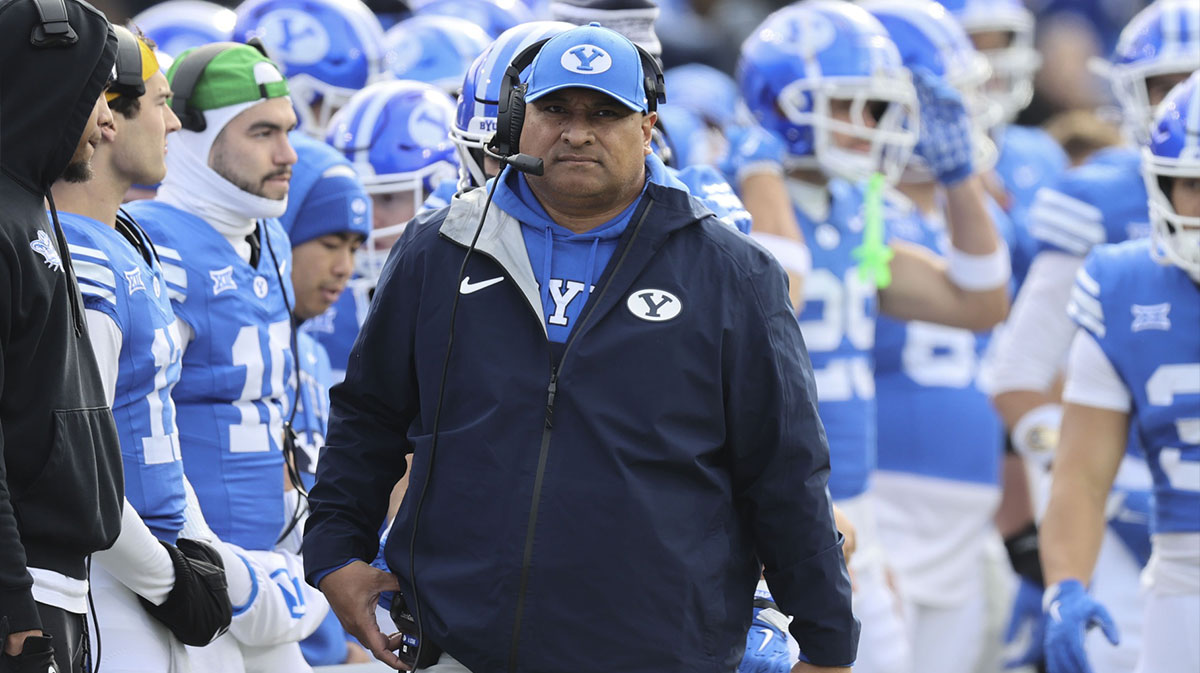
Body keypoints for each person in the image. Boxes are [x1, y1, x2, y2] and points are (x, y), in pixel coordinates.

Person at [304, 23, 857, 672]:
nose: (577, 132)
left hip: (658, 654)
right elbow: (368, 414)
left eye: (605, 112)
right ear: (517, 122)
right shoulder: (441, 245)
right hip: (460, 649)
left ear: (647, 129)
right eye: (555, 110)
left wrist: (826, 642)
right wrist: (335, 551)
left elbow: (785, 469)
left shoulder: (730, 270)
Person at [986, 2, 1198, 669]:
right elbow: (1021, 373)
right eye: (1167, 83)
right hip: (1162, 531)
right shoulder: (1118, 254)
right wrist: (1069, 567)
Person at [123, 41, 328, 673]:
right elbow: (125, 423)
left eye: (289, 131)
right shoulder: (151, 242)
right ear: (190, 132)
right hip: (186, 579)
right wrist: (201, 561)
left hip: (268, 567)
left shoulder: (266, 232)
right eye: (262, 132)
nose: (287, 154)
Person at [52, 26, 238, 671]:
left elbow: (148, 416)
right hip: (107, 574)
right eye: (160, 102)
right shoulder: (75, 252)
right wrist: (166, 579)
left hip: (156, 555)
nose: (175, 124)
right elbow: (74, 455)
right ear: (105, 114)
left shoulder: (124, 236)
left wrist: (196, 542)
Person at [1039, 72, 1200, 673]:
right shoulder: (1127, 288)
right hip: (1185, 579)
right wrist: (1067, 585)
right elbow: (1080, 475)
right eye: (1192, 184)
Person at [0, 1, 123, 671]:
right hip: (25, 602)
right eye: (93, 94)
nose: (106, 122)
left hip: (64, 588)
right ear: (47, 91)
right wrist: (13, 606)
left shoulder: (30, 205)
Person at [277, 132, 372, 667]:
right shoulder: (246, 342)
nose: (344, 267)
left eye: (354, 248)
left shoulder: (311, 354)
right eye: (329, 244)